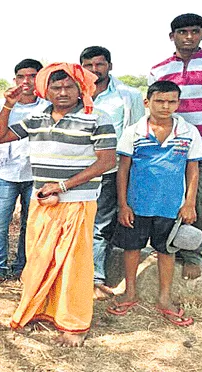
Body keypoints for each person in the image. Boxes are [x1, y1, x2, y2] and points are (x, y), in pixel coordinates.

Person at [0, 63, 117, 347]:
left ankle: (74, 324)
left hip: (78, 201)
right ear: (45, 90)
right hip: (42, 202)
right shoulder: (36, 117)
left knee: (73, 264)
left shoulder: (96, 117)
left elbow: (107, 162)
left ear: (80, 88)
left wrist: (62, 186)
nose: (62, 92)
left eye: (69, 87)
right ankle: (39, 310)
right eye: (55, 87)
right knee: (39, 259)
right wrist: (8, 105)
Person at [109, 81, 202, 326]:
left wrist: (189, 203)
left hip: (170, 205)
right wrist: (123, 205)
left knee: (166, 251)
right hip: (137, 204)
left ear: (178, 103)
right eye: (159, 101)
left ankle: (164, 298)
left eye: (171, 101)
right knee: (132, 249)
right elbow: (123, 170)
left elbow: (192, 170)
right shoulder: (133, 131)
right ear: (147, 102)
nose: (165, 106)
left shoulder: (187, 132)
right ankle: (129, 292)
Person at [148, 13, 202, 280]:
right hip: (167, 149)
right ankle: (165, 249)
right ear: (172, 36)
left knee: (199, 201)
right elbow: (154, 106)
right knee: (166, 200)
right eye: (183, 32)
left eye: (195, 31)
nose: (189, 37)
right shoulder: (159, 69)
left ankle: (193, 254)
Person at [79, 46, 145, 300]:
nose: (95, 70)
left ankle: (96, 279)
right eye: (89, 65)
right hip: (76, 171)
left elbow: (136, 134)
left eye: (100, 64)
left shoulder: (128, 95)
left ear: (110, 65)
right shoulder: (72, 93)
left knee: (100, 225)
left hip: (110, 170)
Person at [0, 59, 48, 287]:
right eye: (21, 76)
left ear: (40, 78)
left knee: (30, 224)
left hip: (36, 175)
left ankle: (22, 268)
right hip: (5, 173)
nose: (26, 81)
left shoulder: (47, 106)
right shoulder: (2, 106)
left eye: (32, 76)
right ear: (15, 79)